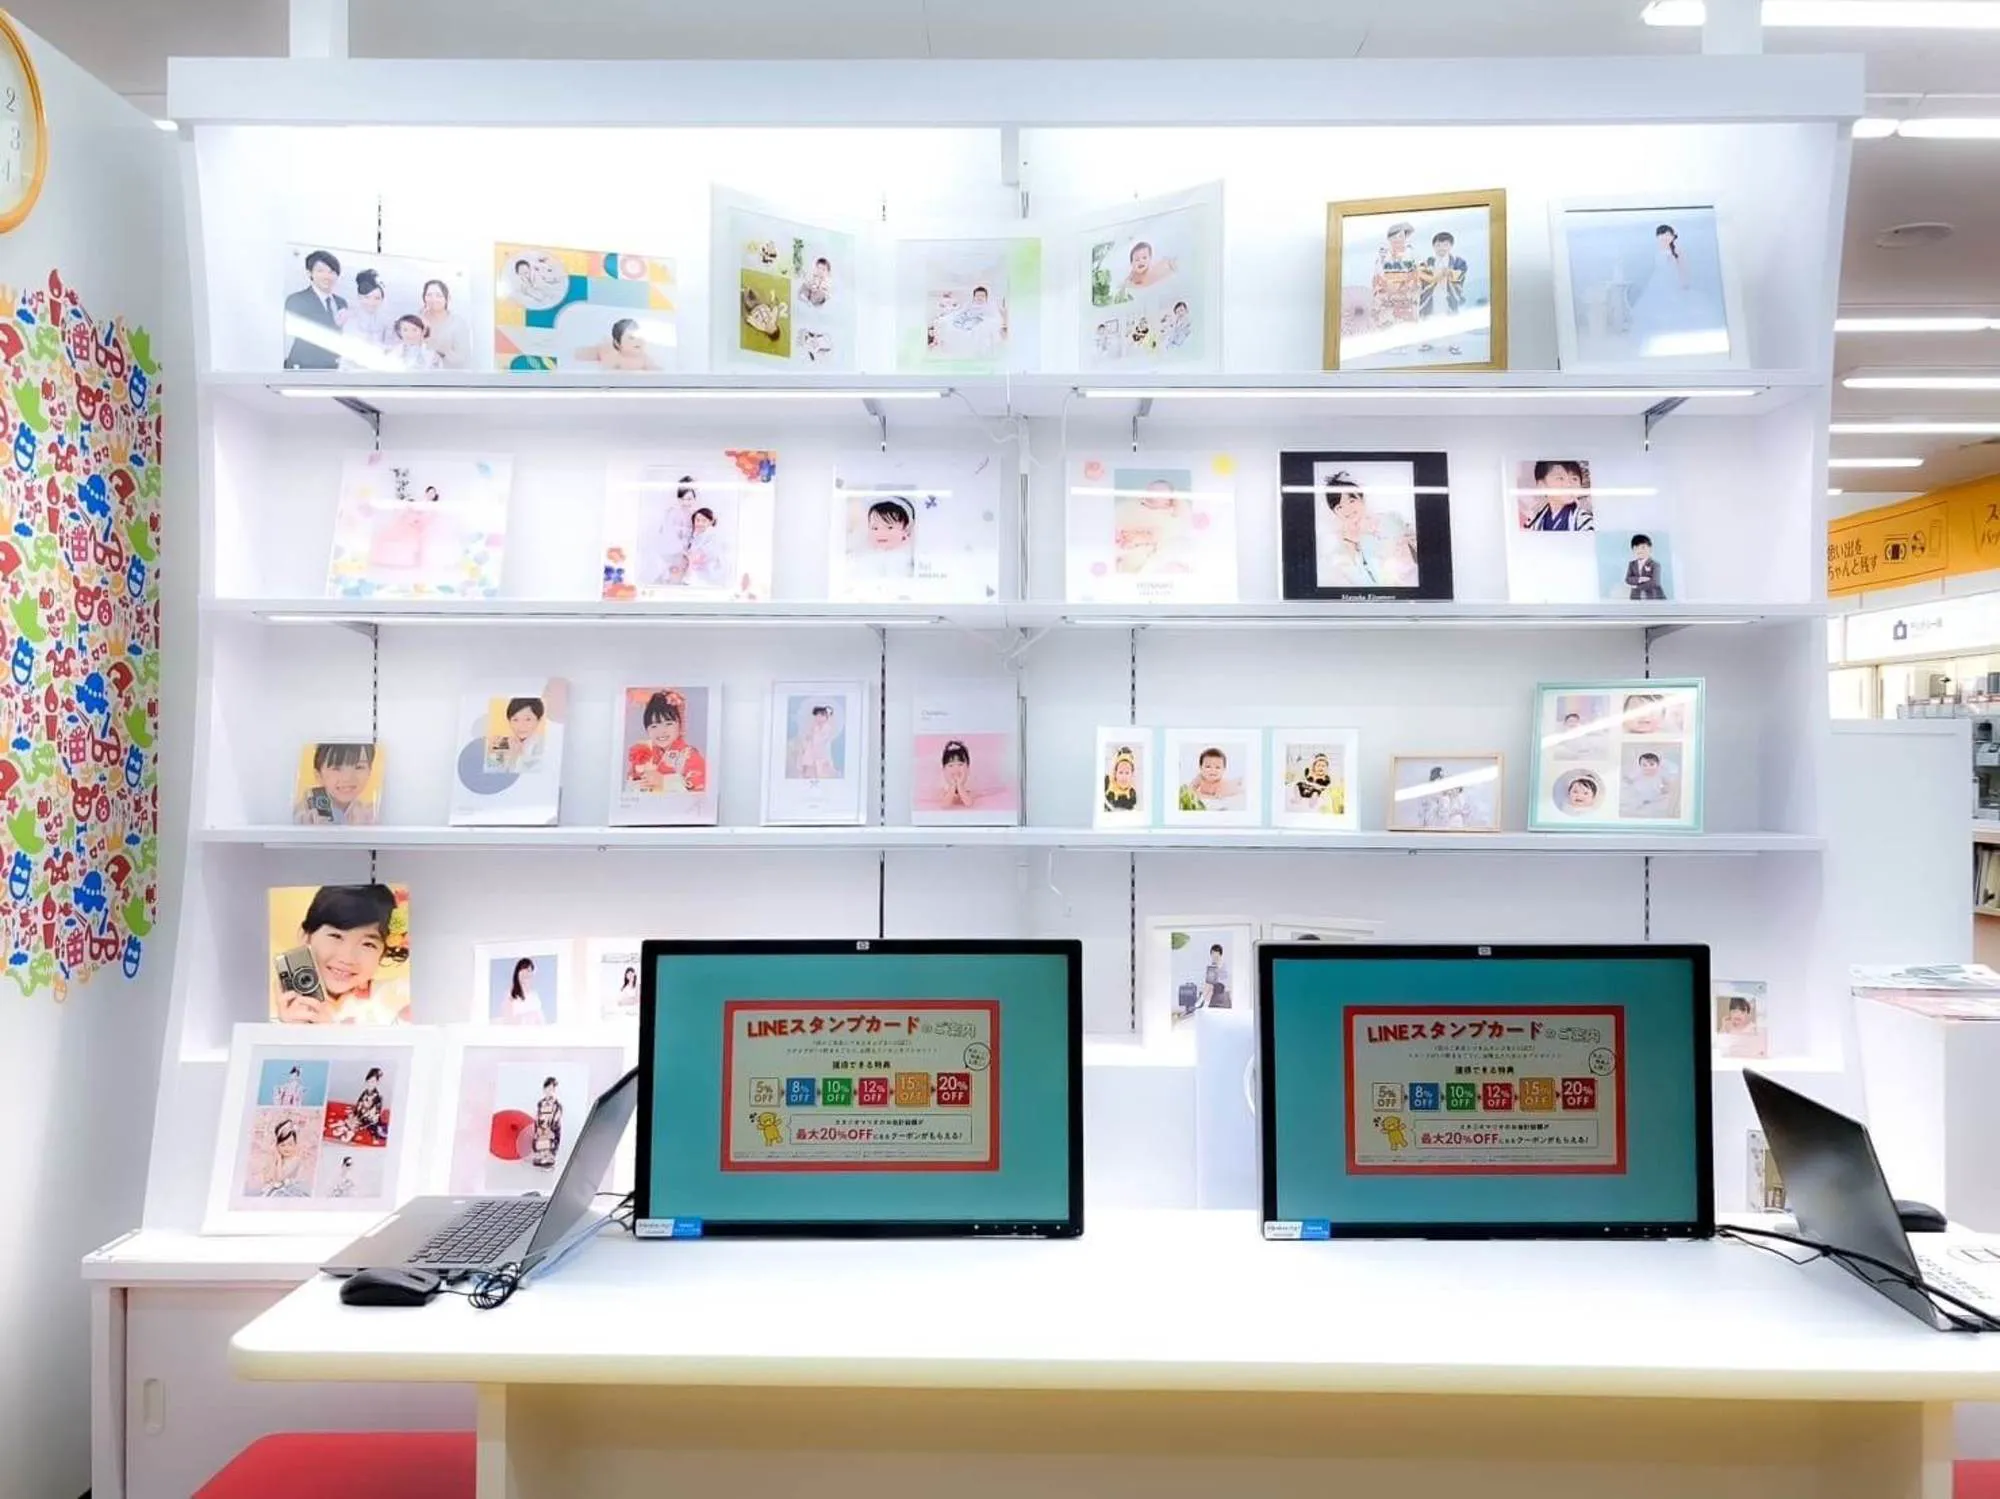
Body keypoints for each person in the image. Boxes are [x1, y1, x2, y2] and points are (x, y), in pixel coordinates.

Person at [274, 884, 408, 1025]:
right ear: (305, 936)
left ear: (383, 952)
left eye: (368, 944)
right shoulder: (270, 1006)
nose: (347, 958)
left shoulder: (399, 999)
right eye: (336, 936)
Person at [1317, 471, 1419, 589]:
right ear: (1334, 513)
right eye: (1339, 507)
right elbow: (1361, 583)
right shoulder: (1341, 547)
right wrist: (1351, 546)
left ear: (1362, 498)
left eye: (1351, 501)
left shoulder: (1390, 518)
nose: (1347, 509)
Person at [626, 691, 707, 796]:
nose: (661, 731)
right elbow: (629, 787)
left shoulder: (690, 755)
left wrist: (664, 782)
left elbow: (701, 790)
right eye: (654, 726)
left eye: (668, 724)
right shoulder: (644, 754)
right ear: (647, 730)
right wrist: (639, 786)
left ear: (680, 724)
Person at [284, 249, 347, 370]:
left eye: (332, 271)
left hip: (333, 369)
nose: (327, 276)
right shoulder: (296, 300)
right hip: (304, 368)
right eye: (320, 271)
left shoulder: (341, 303)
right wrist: (335, 324)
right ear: (309, 274)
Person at [294, 742, 378, 826]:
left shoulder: (370, 814)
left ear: (370, 771)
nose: (347, 778)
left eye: (359, 767)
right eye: (336, 768)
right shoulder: (307, 812)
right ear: (318, 775)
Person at [1417, 230, 1469, 355]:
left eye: (1445, 245)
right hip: (1431, 295)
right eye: (1438, 245)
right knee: (1429, 318)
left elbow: (1460, 275)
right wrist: (1435, 275)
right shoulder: (1427, 262)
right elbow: (1421, 276)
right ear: (1433, 246)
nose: (1442, 248)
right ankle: (1427, 342)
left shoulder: (1458, 262)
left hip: (1449, 294)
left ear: (1451, 246)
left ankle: (1453, 344)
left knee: (1451, 319)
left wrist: (1449, 273)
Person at [1369, 221, 1423, 334]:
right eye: (1394, 237)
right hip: (1388, 296)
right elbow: (1377, 276)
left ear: (1405, 237)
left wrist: (1407, 289)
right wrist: (1385, 291)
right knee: (1387, 325)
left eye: (1400, 236)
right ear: (1389, 239)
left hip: (1406, 295)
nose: (1397, 239)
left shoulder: (1412, 254)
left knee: (1406, 326)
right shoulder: (1383, 255)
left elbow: (1417, 275)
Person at [1522, 460, 1595, 532]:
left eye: (1574, 479)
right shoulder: (1533, 522)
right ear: (1542, 485)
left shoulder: (1585, 521)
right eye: (1560, 478)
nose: (1569, 485)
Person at [338, 270, 392, 362]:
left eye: (377, 298)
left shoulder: (385, 321)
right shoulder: (346, 316)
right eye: (367, 297)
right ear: (359, 297)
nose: (372, 302)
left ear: (382, 300)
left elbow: (388, 347)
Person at [419, 279, 470, 370]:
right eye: (429, 295)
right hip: (419, 374)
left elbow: (463, 358)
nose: (433, 299)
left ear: (447, 298)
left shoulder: (457, 323)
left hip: (449, 374)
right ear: (424, 298)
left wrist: (444, 350)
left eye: (438, 295)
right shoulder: (416, 319)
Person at [579, 318, 661, 371]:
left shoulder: (644, 358)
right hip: (603, 351)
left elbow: (656, 370)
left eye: (639, 336)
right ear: (618, 344)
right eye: (631, 338)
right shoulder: (616, 359)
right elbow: (605, 370)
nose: (638, 340)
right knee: (584, 354)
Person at [489, 697, 548, 772]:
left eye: (528, 719)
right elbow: (492, 773)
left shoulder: (544, 745)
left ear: (539, 720)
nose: (521, 725)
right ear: (509, 721)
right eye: (515, 719)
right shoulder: (500, 744)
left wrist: (516, 756)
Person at [256, 1118, 310, 1197]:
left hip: (289, 1191)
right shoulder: (277, 1159)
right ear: (277, 1146)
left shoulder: (295, 1160)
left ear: (295, 1144)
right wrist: (276, 1159)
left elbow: (280, 1179)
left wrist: (279, 1160)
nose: (286, 1148)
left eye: (290, 1144)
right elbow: (267, 1178)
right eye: (282, 1145)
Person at [1180, 747, 1242, 811]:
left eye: (1217, 767)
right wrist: (1191, 792)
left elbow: (1215, 798)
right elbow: (1190, 788)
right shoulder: (1200, 777)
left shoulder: (1221, 784)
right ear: (1201, 768)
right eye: (1208, 767)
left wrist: (1198, 794)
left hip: (1229, 789)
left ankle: (1238, 781)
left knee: (1237, 787)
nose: (1212, 770)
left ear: (1223, 769)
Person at [339, 1067, 388, 1145]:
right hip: (361, 1115)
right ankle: (346, 1129)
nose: (370, 1084)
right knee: (350, 1119)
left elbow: (373, 1115)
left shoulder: (378, 1098)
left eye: (373, 1082)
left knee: (356, 1124)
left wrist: (359, 1120)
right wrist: (355, 1115)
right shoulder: (364, 1093)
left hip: (370, 1120)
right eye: (368, 1081)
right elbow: (359, 1105)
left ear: (377, 1083)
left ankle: (349, 1133)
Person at [1622, 750, 1676, 818]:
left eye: (1652, 764)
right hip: (1639, 793)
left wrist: (1665, 789)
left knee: (1655, 805)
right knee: (1634, 803)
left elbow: (1668, 783)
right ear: (1640, 766)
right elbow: (1630, 780)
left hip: (1654, 795)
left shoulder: (1659, 775)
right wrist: (1628, 780)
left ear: (1657, 765)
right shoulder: (1639, 773)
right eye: (1644, 765)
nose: (1648, 767)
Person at [682, 507, 727, 587]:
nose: (700, 523)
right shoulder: (696, 535)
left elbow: (699, 556)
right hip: (698, 571)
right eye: (697, 520)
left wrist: (690, 558)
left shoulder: (712, 536)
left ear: (710, 522)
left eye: (704, 521)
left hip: (708, 573)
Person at [796, 704, 839, 780]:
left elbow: (824, 739)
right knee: (808, 756)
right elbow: (810, 735)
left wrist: (816, 739)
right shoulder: (815, 726)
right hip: (813, 746)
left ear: (826, 717)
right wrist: (808, 738)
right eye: (817, 716)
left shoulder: (827, 727)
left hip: (821, 748)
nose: (819, 718)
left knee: (821, 763)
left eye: (821, 716)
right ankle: (809, 773)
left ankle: (821, 773)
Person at [531, 1077, 564, 1168]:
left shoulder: (556, 1105)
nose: (549, 1091)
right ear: (544, 1089)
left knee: (549, 1140)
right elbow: (538, 1115)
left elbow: (557, 1116)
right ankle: (541, 1156)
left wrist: (551, 1127)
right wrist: (538, 1126)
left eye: (552, 1089)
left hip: (550, 1127)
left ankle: (548, 1157)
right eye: (547, 1088)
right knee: (539, 1140)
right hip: (541, 1127)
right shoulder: (541, 1103)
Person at [503, 958, 547, 1025]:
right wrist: (528, 1016)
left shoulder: (534, 996)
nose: (526, 974)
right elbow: (507, 1019)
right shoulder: (509, 995)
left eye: (529, 971)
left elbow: (541, 1020)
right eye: (523, 970)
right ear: (517, 973)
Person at [937, 740, 977, 810]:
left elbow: (969, 804)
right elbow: (944, 805)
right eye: (951, 765)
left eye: (960, 764)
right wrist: (952, 786)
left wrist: (960, 786)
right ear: (944, 770)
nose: (956, 769)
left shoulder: (970, 786)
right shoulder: (943, 788)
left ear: (968, 768)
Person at [1624, 534, 1665, 600]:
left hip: (1653, 596)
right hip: (1636, 596)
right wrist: (1640, 579)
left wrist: (1636, 586)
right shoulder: (1632, 564)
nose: (1639, 551)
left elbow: (1655, 583)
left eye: (1643, 547)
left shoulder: (1655, 564)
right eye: (1636, 548)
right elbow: (1628, 579)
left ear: (1650, 549)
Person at [1103, 748, 1141, 812]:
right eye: (1120, 772)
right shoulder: (1107, 782)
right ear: (1115, 773)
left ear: (1132, 775)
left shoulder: (1131, 795)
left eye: (1127, 773)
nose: (1124, 777)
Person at [1200, 942, 1231, 1010]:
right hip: (1213, 986)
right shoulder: (1212, 965)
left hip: (1221, 987)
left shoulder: (1222, 964)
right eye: (1213, 954)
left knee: (1210, 984)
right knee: (1210, 985)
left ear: (1220, 954)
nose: (1214, 956)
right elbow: (1209, 978)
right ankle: (1204, 1002)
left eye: (1216, 954)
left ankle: (1202, 999)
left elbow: (1223, 978)